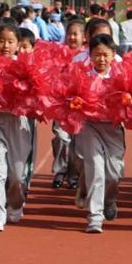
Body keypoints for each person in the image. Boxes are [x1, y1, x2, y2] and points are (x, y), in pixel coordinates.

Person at [0, 22, 37, 232]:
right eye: (1, 40)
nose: (5, 45)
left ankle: (15, 203)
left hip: (19, 122)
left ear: (18, 44)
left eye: (10, 41)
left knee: (17, 175)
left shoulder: (25, 66)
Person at [75, 33, 126, 233]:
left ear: (113, 55)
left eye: (105, 55)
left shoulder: (121, 78)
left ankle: (110, 201)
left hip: (113, 128)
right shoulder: (82, 77)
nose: (101, 59)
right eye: (97, 55)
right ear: (90, 56)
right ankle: (95, 216)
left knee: (113, 172)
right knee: (95, 167)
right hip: (89, 127)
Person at [50, 18, 86, 189]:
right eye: (69, 34)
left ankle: (73, 175)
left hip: (80, 105)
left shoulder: (87, 56)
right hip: (62, 104)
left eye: (75, 34)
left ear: (83, 37)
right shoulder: (58, 53)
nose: (72, 38)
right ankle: (61, 170)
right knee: (61, 137)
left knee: (77, 140)